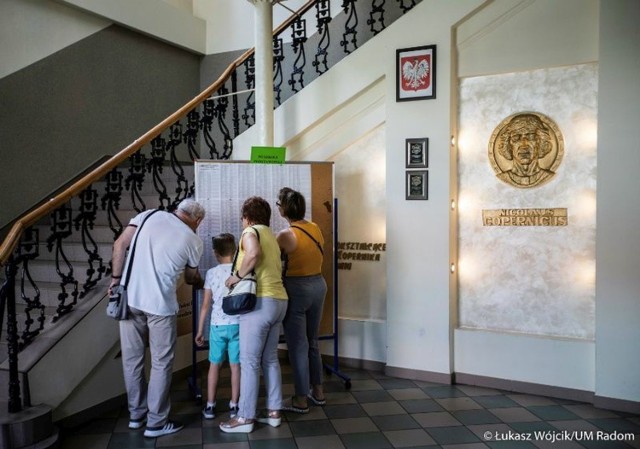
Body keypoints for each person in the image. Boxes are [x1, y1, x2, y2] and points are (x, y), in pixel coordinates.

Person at [109, 199, 205, 439]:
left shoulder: (148, 215)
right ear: (198, 221)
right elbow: (192, 276)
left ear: (177, 210)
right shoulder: (193, 240)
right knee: (161, 363)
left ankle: (136, 416)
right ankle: (156, 422)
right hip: (161, 306)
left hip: (130, 299)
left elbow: (120, 244)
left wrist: (115, 278)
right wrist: (200, 280)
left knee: (132, 361)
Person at [219, 196, 288, 434]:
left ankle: (245, 417)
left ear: (247, 217)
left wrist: (235, 276)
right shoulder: (271, 234)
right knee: (270, 359)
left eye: (242, 218)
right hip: (279, 301)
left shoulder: (250, 232)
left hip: (259, 302)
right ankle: (274, 411)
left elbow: (253, 254)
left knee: (248, 362)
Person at [276, 188, 327, 413]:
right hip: (319, 285)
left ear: (284, 209)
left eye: (279, 204)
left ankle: (300, 399)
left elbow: (273, 261)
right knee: (312, 341)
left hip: (297, 288)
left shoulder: (285, 235)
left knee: (297, 346)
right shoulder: (314, 227)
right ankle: (318, 392)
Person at [195, 233, 240, 420]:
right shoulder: (240, 272)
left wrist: (199, 330)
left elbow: (205, 305)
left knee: (214, 365)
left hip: (217, 325)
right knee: (236, 366)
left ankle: (211, 405)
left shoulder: (211, 273)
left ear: (215, 253)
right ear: (235, 250)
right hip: (238, 324)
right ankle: (235, 405)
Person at [495, 113, 556, 188]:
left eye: (531, 136)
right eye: (516, 137)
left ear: (540, 141)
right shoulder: (503, 177)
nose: (524, 145)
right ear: (508, 144)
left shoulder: (547, 176)